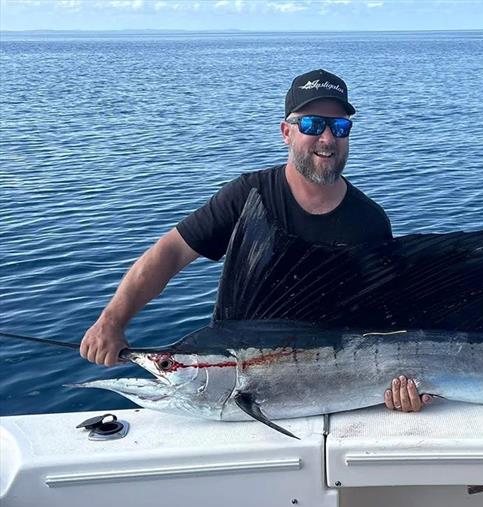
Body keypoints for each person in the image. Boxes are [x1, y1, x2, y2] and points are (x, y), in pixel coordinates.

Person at [79, 68, 430, 413]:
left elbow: (388, 323)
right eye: (312, 125)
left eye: (339, 127)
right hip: (254, 385)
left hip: (344, 392)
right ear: (286, 132)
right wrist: (112, 320)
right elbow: (170, 252)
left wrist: (414, 386)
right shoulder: (249, 196)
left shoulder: (368, 220)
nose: (327, 138)